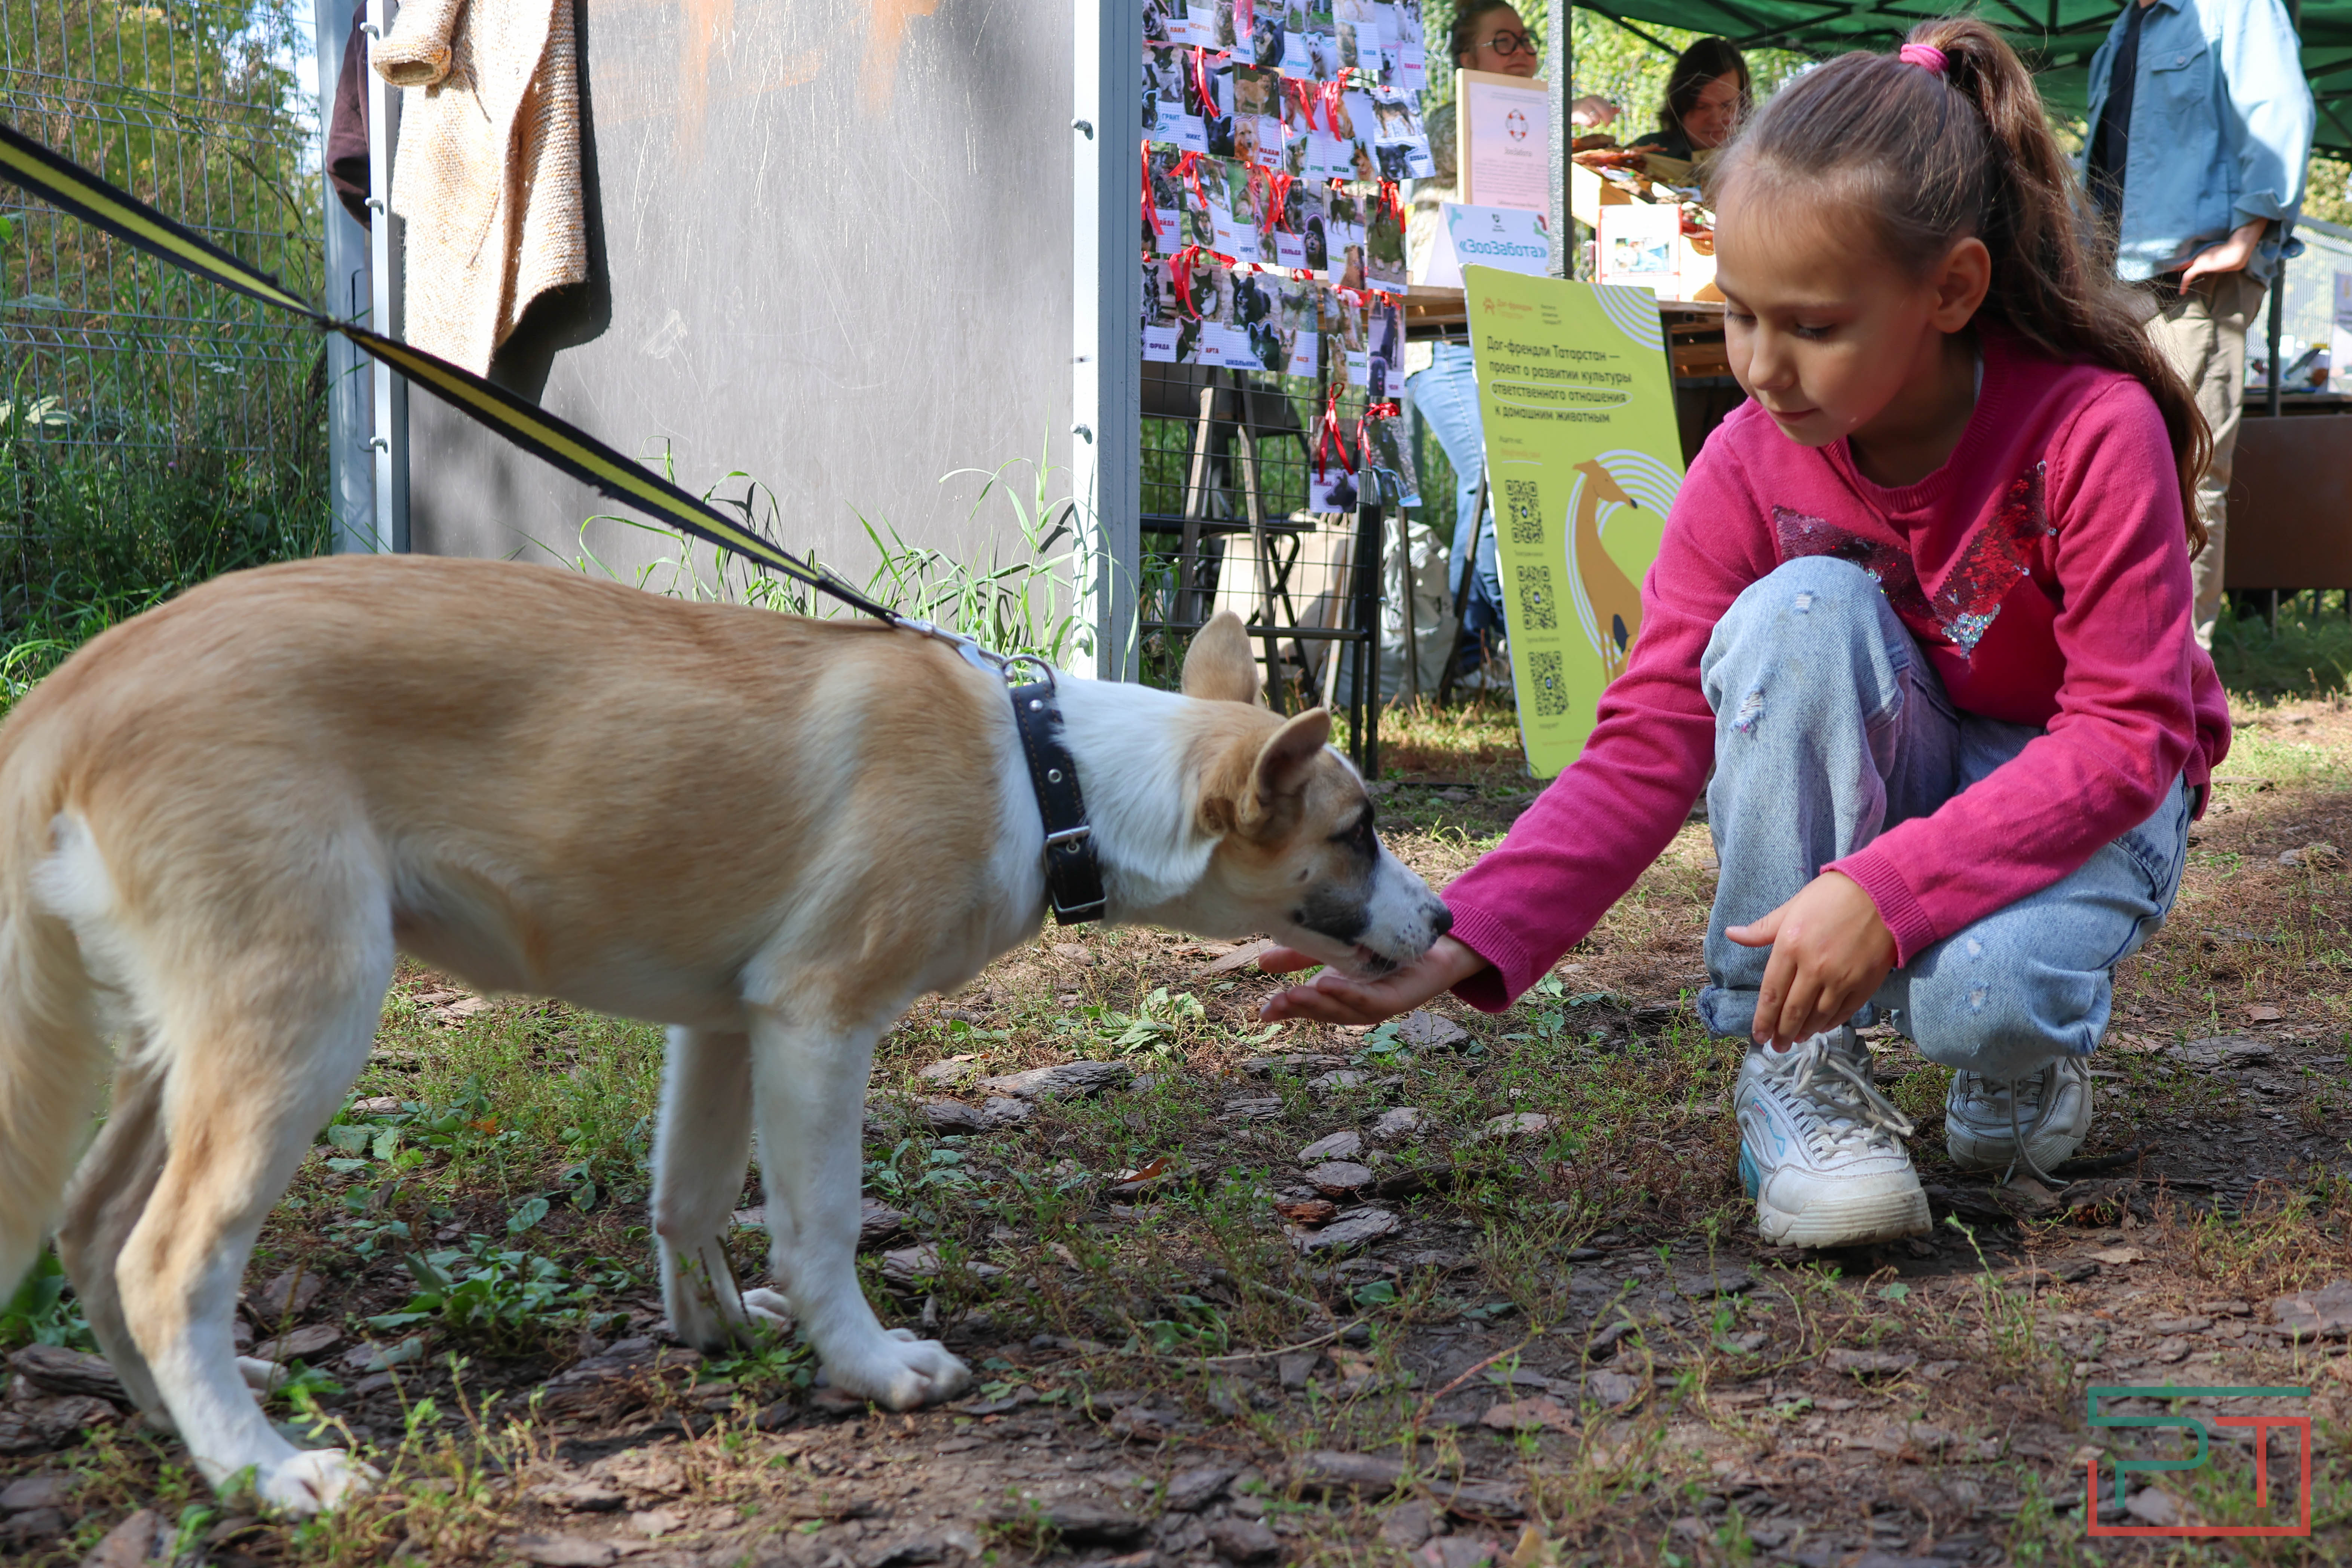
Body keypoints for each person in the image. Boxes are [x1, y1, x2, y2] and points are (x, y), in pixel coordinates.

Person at [1268, 19, 2229, 1251]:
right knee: (1798, 610)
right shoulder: (1745, 460)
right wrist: (1460, 935)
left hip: (2092, 788)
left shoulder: (2091, 427)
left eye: (1813, 327)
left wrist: (1882, 892)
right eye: (1737, 316)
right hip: (1920, 757)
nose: (1760, 368)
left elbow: (2121, 737)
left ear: (1949, 290)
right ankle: (1792, 1066)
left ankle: (2014, 1061)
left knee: (1981, 1002)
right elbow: (1649, 732)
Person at [2083, 0, 2312, 650]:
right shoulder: (2121, 29)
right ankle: (2117, 661)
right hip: (2115, 287)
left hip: (2194, 285)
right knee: (2111, 473)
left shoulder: (2233, 7)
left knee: (2185, 475)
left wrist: (2246, 237)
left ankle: (2180, 681)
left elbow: (2278, 111)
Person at [1407, 3, 1612, 681]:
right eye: (1503, 43)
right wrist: (1560, 119)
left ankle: (1467, 657)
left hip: (1519, 331)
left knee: (1501, 487)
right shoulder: (1446, 127)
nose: (1523, 54)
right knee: (1495, 484)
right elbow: (1491, 145)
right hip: (1444, 341)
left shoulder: (1540, 138)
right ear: (1465, 62)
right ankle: (1529, 659)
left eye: (1527, 42)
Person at [1628, 37, 1750, 163]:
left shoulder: (1758, 157)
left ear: (1743, 103)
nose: (1715, 119)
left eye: (1727, 106)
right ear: (1679, 105)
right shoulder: (1647, 155)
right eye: (1701, 107)